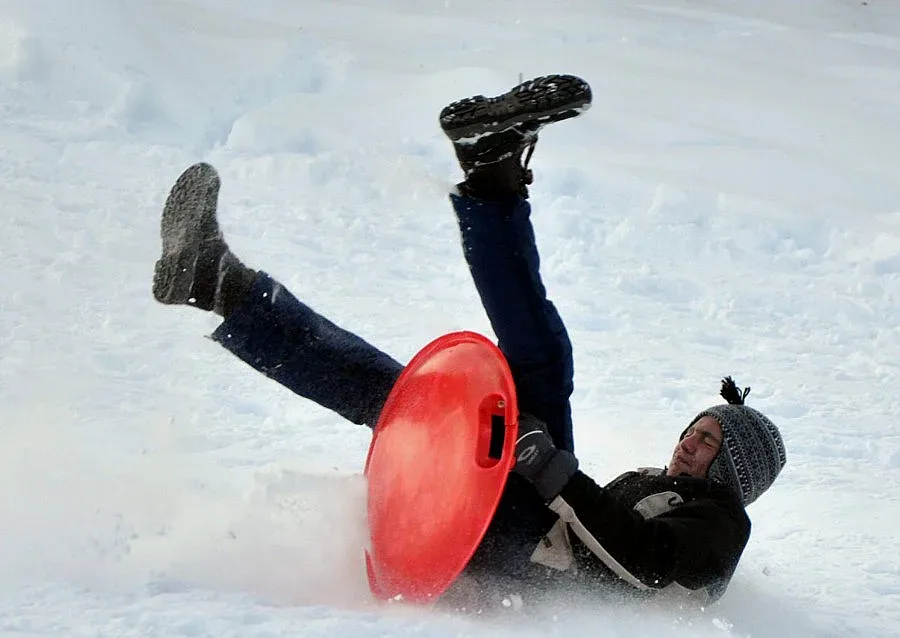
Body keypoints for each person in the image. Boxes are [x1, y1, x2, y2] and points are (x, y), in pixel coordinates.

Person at [152, 74, 786, 610]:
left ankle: (491, 179)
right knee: (414, 401)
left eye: (710, 440)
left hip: (522, 548)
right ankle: (218, 285)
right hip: (516, 534)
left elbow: (645, 564)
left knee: (535, 365)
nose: (688, 442)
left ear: (737, 469)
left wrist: (550, 467)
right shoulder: (656, 483)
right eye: (693, 428)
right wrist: (545, 469)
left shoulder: (723, 525)